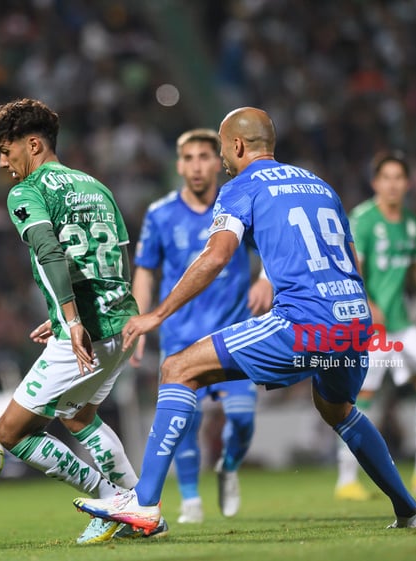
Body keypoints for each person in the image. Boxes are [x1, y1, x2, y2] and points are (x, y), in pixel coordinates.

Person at [73, 106, 416, 532]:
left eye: (223, 147)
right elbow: (351, 260)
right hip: (353, 322)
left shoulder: (240, 187)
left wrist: (158, 313)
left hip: (303, 322)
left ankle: (144, 504)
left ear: (238, 145)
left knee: (177, 368)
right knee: (338, 409)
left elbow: (217, 255)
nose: (222, 158)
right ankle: (411, 512)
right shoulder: (320, 185)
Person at [0, 98, 167, 544]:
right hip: (121, 322)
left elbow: (51, 252)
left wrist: (69, 317)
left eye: (7, 151)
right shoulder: (94, 186)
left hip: (84, 330)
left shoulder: (28, 191)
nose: (4, 163)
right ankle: (143, 509)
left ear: (33, 144)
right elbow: (117, 257)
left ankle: (111, 501)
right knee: (80, 415)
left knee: (10, 432)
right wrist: (67, 309)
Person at [131, 128, 272, 522]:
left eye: (205, 157)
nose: (197, 166)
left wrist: (265, 280)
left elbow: (274, 248)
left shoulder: (237, 204)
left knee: (242, 419)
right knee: (183, 423)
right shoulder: (160, 214)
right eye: (189, 158)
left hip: (234, 334)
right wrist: (141, 321)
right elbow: (145, 271)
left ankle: (228, 466)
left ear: (219, 160)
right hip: (181, 334)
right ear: (179, 164)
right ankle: (190, 498)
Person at [334, 151, 416, 501]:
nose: (392, 184)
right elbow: (349, 267)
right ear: (375, 183)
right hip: (368, 327)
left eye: (398, 178)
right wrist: (368, 305)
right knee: (361, 398)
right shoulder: (363, 220)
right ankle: (346, 478)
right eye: (385, 178)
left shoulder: (409, 221)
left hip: (400, 322)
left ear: (407, 183)